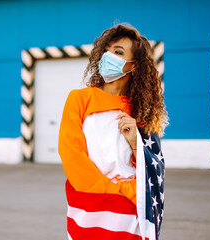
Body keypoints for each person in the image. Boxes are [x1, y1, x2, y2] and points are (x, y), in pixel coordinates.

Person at [58, 23, 168, 240]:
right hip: (89, 206)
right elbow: (71, 154)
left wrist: (135, 140)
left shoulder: (141, 111)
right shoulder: (80, 99)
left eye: (118, 52)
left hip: (128, 212)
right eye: (107, 51)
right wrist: (114, 190)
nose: (109, 56)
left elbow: (152, 165)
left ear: (134, 66)